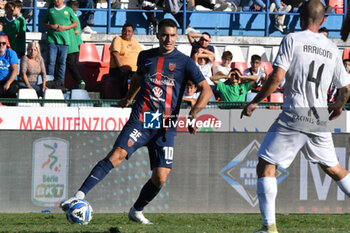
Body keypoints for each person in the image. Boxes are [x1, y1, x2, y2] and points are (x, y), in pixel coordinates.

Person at [60, 18, 212, 224]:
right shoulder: (145, 57)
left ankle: (137, 210)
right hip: (141, 120)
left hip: (165, 127)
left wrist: (193, 114)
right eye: (165, 35)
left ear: (177, 37)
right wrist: (128, 98)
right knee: (117, 154)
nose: (168, 39)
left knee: (160, 177)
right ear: (158, 35)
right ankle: (78, 197)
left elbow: (207, 90)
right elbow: (139, 80)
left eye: (173, 36)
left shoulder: (185, 62)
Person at [241, 1, 350, 232]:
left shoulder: (292, 39)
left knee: (266, 165)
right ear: (324, 20)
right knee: (336, 170)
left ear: (300, 17)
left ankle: (268, 227)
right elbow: (346, 88)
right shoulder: (332, 48)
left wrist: (255, 102)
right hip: (319, 117)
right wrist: (339, 106)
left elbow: (276, 78)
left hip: (295, 113)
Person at [42, 0, 77, 87]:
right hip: (52, 39)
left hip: (64, 40)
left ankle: (60, 83)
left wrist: (65, 27)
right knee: (51, 62)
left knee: (62, 62)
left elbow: (75, 23)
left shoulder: (68, 10)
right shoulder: (50, 10)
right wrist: (51, 26)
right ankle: (49, 82)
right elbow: (44, 23)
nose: (56, 0)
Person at [106, 23, 143, 99]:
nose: (126, 33)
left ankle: (137, 99)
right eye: (125, 31)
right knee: (124, 75)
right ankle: (125, 99)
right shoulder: (118, 39)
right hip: (119, 68)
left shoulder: (135, 42)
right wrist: (121, 67)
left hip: (135, 70)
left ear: (133, 33)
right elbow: (115, 53)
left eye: (129, 31)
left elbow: (141, 54)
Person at [66, 0, 85, 89]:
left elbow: (76, 31)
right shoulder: (73, 17)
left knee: (70, 64)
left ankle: (79, 81)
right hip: (73, 44)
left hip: (74, 45)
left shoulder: (73, 17)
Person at [0, 32, 19, 98]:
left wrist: (8, 83)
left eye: (3, 43)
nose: (1, 45)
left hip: (10, 81)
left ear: (6, 44)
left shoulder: (11, 53)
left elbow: (15, 70)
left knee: (12, 89)